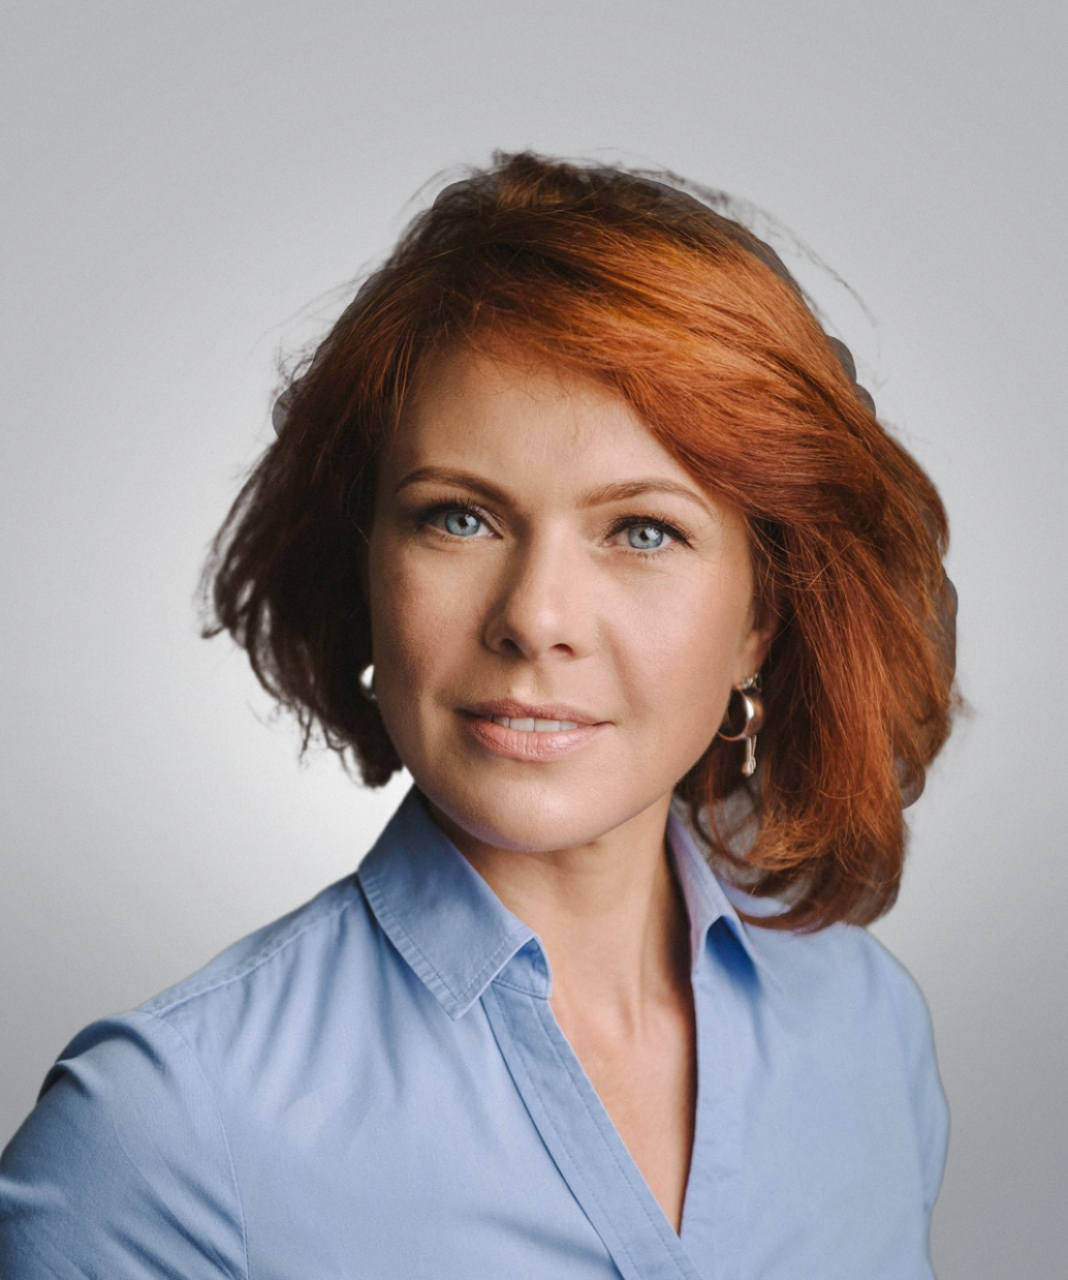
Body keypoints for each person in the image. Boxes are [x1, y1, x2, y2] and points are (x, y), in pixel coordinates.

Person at [0, 152, 957, 1278]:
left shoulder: (867, 1027)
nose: (534, 618)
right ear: (366, 573)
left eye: (643, 530)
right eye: (459, 517)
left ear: (761, 620)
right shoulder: (161, 1134)